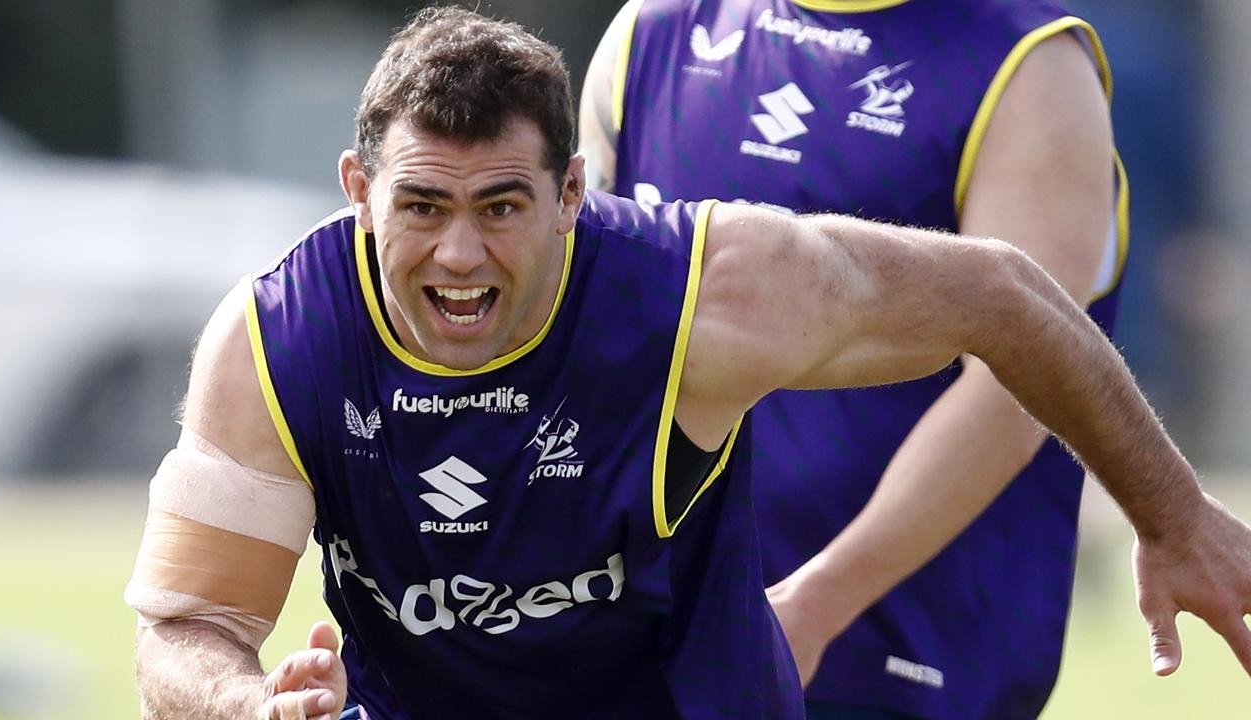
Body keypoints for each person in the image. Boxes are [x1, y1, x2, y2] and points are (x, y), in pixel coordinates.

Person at [125, 7, 1251, 720]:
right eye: (420, 206)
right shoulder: (277, 339)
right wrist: (248, 706)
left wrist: (1170, 517)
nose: (458, 254)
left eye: (501, 206)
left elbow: (1004, 293)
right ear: (356, 191)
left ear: (573, 196)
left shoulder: (697, 293)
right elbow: (183, 626)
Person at [578, 0, 1135, 717]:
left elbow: (1017, 390)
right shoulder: (653, 31)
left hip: (898, 660)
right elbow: (585, 324)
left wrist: (813, 604)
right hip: (667, 639)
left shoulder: (1030, 63)